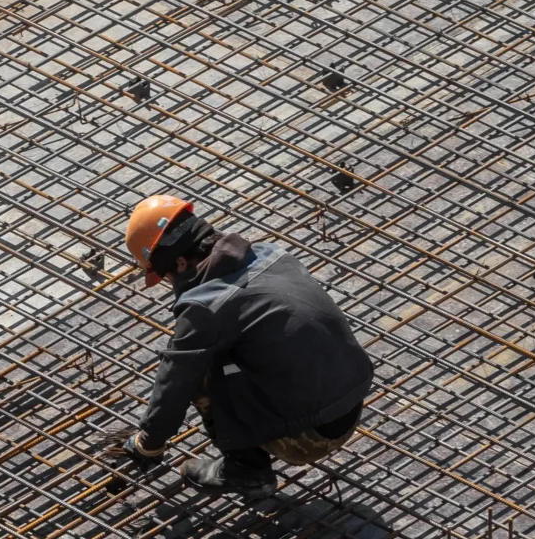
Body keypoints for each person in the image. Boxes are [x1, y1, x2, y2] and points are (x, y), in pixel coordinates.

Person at [116, 195, 374, 497]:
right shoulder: (273, 254)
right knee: (237, 348)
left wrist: (149, 442)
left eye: (166, 275)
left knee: (199, 370)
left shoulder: (206, 305)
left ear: (181, 262)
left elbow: (175, 381)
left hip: (310, 437)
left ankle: (247, 469)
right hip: (352, 405)